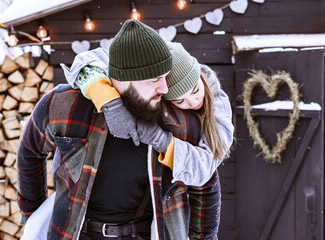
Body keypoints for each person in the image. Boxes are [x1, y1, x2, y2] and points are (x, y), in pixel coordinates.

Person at [73, 41, 233, 239]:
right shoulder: (155, 64)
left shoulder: (218, 105)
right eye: (179, 101)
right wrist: (109, 100)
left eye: (195, 90)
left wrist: (160, 139)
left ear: (199, 76)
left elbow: (204, 170)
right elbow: (87, 60)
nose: (193, 103)